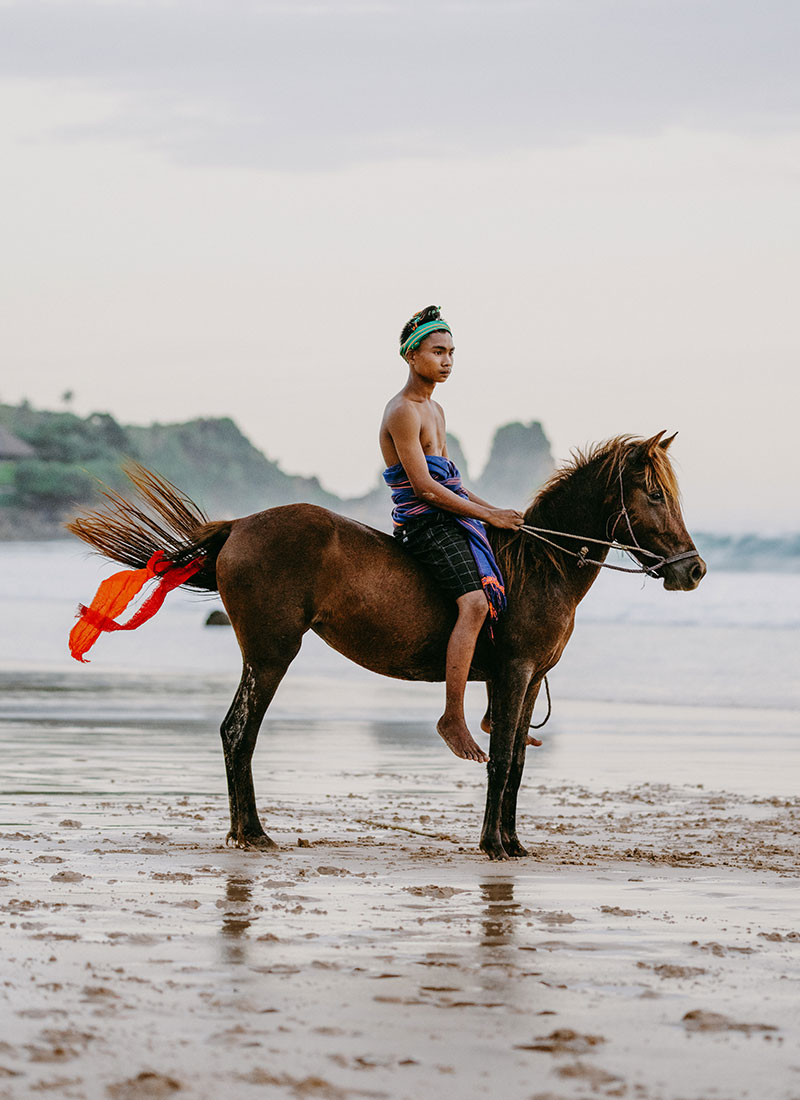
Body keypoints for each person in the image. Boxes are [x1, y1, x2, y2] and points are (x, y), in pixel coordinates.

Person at [380, 305, 524, 763]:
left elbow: (453, 485)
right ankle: (452, 717)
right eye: (437, 351)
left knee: (508, 592)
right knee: (475, 602)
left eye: (452, 353)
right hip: (424, 524)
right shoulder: (403, 411)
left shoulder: (436, 409)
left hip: (450, 515)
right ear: (411, 355)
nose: (446, 361)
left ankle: (495, 713)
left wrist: (495, 512)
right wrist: (488, 516)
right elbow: (424, 488)